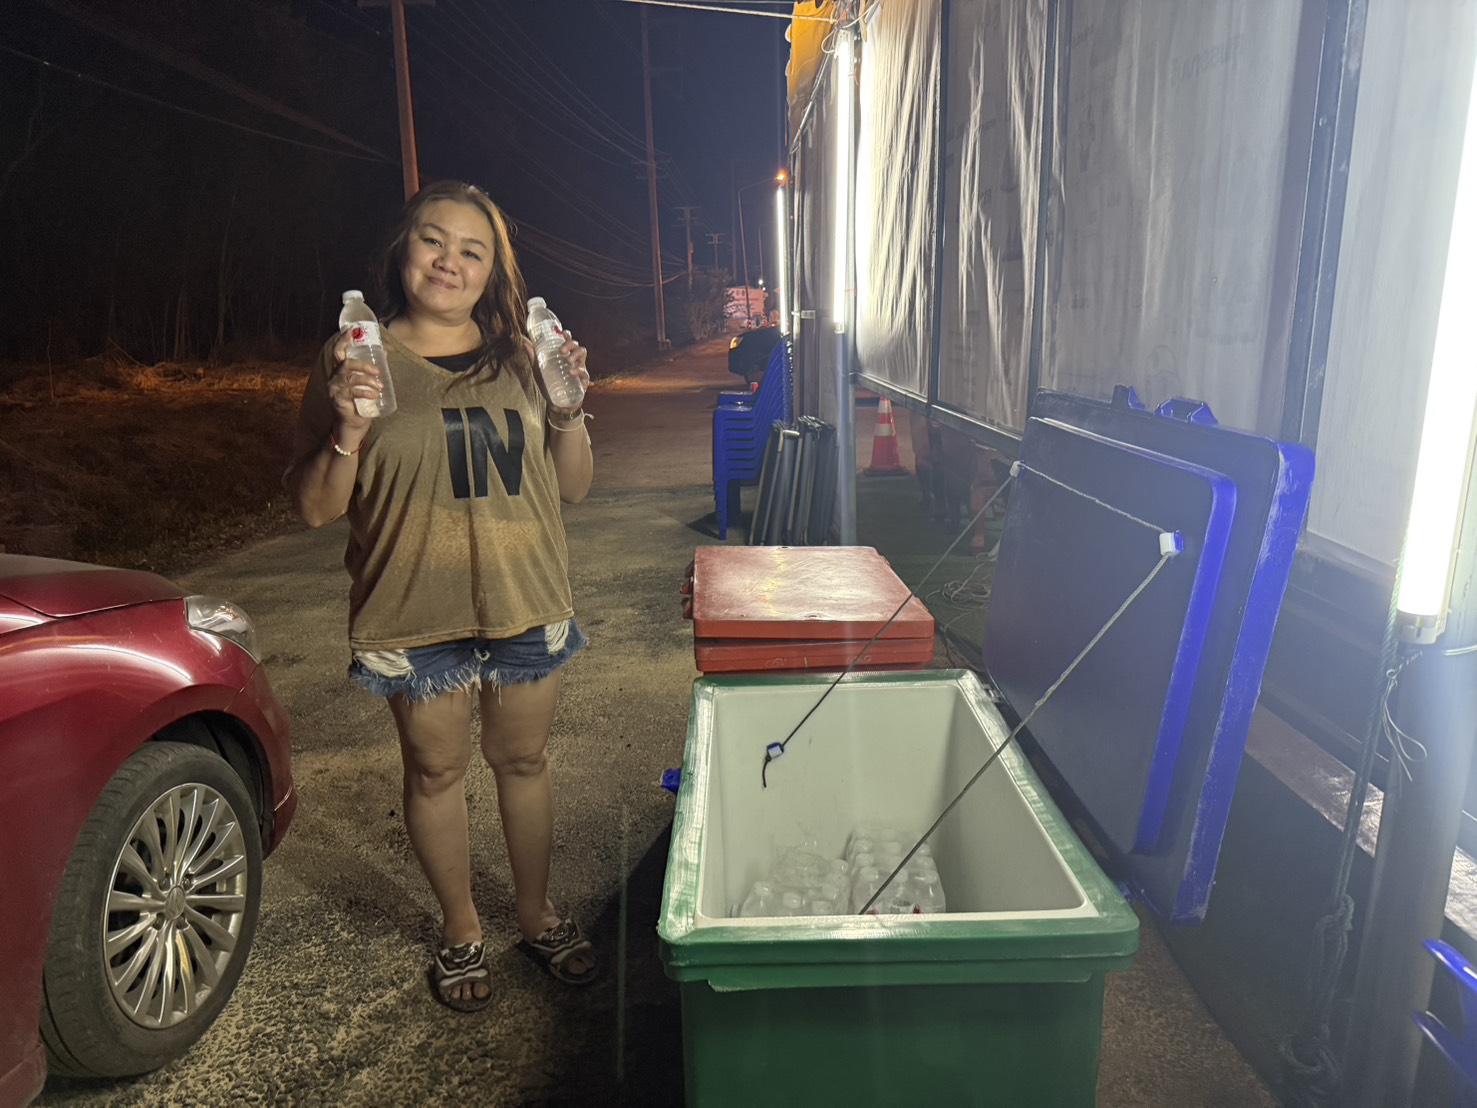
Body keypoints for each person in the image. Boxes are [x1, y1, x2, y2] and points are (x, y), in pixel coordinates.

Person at [285, 181, 597, 1011]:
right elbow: (314, 507)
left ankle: (536, 914)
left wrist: (569, 411)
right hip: (413, 608)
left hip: (525, 597)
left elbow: (573, 487)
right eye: (433, 240)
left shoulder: (524, 355)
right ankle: (461, 928)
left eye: (471, 249)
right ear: (402, 248)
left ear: (494, 270)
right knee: (433, 772)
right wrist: (350, 430)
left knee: (523, 761)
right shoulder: (354, 356)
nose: (448, 261)